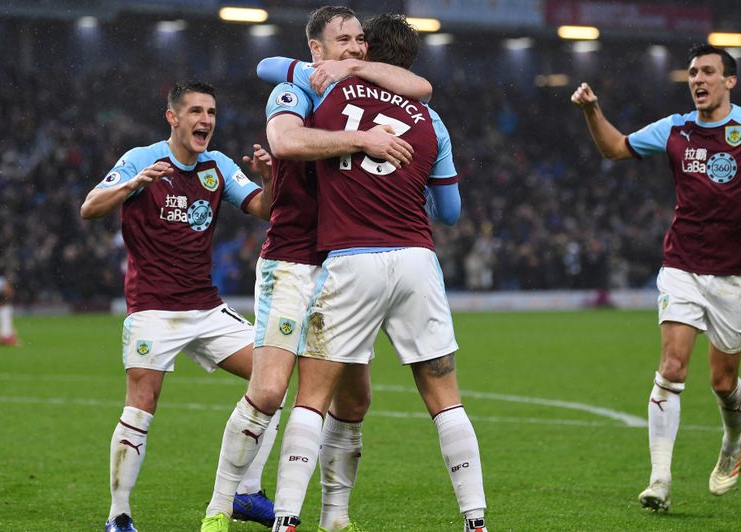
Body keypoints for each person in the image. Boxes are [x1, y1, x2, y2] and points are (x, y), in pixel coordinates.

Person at [571, 43, 741, 511]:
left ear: (729, 81)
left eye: (708, 72)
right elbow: (615, 148)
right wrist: (593, 111)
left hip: (734, 275)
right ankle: (659, 480)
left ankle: (733, 440)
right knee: (672, 370)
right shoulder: (675, 129)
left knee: (722, 382)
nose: (697, 79)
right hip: (681, 266)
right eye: (692, 72)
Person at [199, 6, 431, 532]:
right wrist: (363, 140)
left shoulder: (366, 91)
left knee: (355, 399)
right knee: (267, 392)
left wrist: (358, 74)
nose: (354, 48)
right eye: (342, 41)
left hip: (348, 266)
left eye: (359, 40)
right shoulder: (297, 91)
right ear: (316, 50)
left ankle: (335, 517)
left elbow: (422, 86)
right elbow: (284, 141)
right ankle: (219, 507)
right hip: (293, 260)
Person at [265, 14, 488, 532]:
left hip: (351, 259)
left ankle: (286, 521)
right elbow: (451, 212)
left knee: (313, 398)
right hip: (416, 261)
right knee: (445, 397)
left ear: (366, 53)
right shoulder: (432, 121)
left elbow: (269, 67)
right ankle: (476, 521)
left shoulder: (329, 92)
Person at [80, 80, 279, 532]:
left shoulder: (218, 165)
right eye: (195, 111)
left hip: (205, 307)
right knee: (141, 405)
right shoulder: (140, 158)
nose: (205, 120)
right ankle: (119, 516)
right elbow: (90, 208)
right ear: (172, 117)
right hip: (153, 309)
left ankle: (246, 492)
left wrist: (269, 178)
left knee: (274, 378)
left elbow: (264, 208)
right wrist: (133, 184)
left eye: (210, 111)